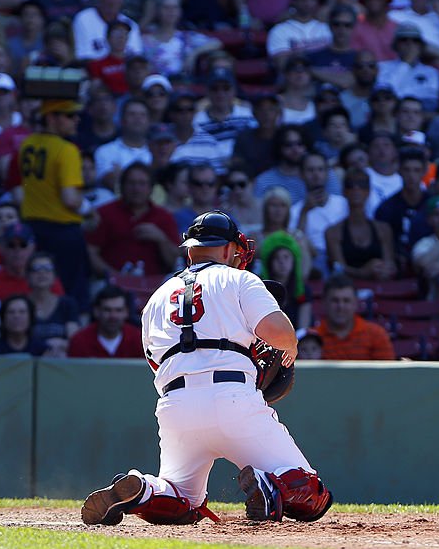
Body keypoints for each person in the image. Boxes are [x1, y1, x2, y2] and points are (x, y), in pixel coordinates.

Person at [80, 210, 332, 525]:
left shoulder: (157, 297)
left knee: (182, 499)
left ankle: (144, 490)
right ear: (228, 248)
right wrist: (290, 346)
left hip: (175, 405)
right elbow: (278, 331)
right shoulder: (240, 279)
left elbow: (155, 363)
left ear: (190, 249)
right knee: (313, 494)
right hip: (233, 398)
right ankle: (270, 484)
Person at [13, 98, 89, 311]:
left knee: (39, 288)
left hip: (33, 228)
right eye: (69, 115)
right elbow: (70, 198)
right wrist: (89, 210)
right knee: (71, 292)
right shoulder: (67, 150)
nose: (76, 120)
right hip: (63, 231)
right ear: (51, 117)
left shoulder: (27, 143)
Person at [314, 273, 395, 360]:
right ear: (324, 303)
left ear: (355, 303)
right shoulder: (312, 338)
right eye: (335, 300)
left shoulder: (377, 335)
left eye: (346, 301)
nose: (341, 306)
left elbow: (387, 373)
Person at [67, 285, 142, 358]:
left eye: (118, 310)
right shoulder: (80, 341)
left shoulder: (140, 340)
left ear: (126, 312)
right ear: (96, 311)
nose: (113, 316)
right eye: (107, 310)